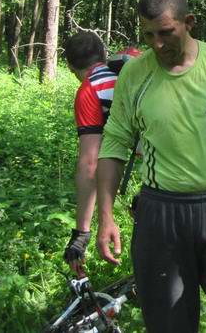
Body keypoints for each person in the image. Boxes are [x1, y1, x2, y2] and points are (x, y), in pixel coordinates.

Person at [94, 0, 206, 333]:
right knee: (169, 325)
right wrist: (105, 215)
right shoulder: (134, 75)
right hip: (161, 216)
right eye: (148, 35)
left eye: (165, 33)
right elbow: (113, 145)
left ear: (189, 23)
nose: (157, 44)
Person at [62, 31, 131, 277]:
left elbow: (90, 163)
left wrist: (81, 233)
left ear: (69, 65)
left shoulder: (90, 91)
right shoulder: (129, 69)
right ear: (103, 55)